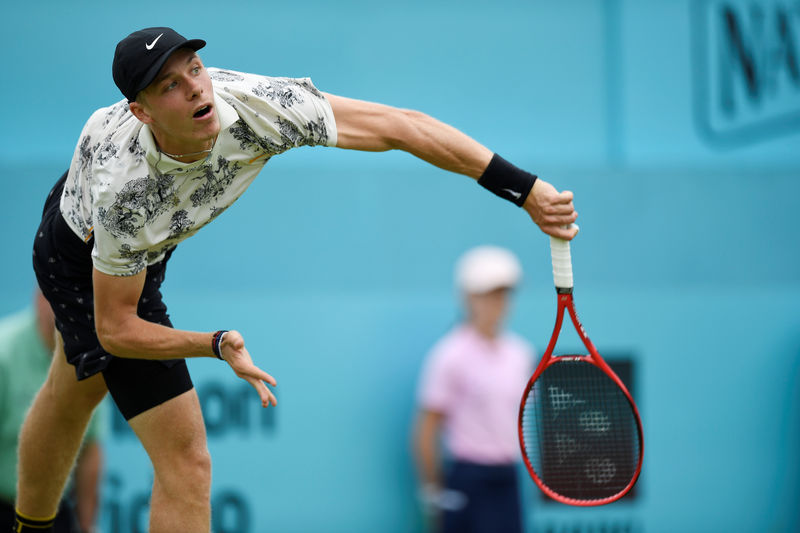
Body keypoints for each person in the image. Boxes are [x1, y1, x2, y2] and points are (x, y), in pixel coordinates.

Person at [15, 26, 578, 533]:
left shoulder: (263, 109)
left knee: (74, 385)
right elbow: (116, 329)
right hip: (79, 253)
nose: (193, 87)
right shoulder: (125, 193)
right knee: (179, 455)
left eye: (194, 68)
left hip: (148, 244)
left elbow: (402, 127)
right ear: (142, 112)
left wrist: (524, 190)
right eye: (168, 85)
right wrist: (213, 344)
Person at [414, 246, 534, 533]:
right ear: (468, 297)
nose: (499, 302)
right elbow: (425, 432)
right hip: (467, 480)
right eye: (489, 293)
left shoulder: (521, 353)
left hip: (509, 479)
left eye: (504, 293)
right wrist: (434, 495)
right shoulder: (448, 355)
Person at [0, 291, 105, 533]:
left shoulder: (90, 354)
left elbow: (90, 448)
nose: (65, 308)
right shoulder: (4, 354)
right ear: (39, 298)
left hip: (57, 512)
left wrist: (88, 526)